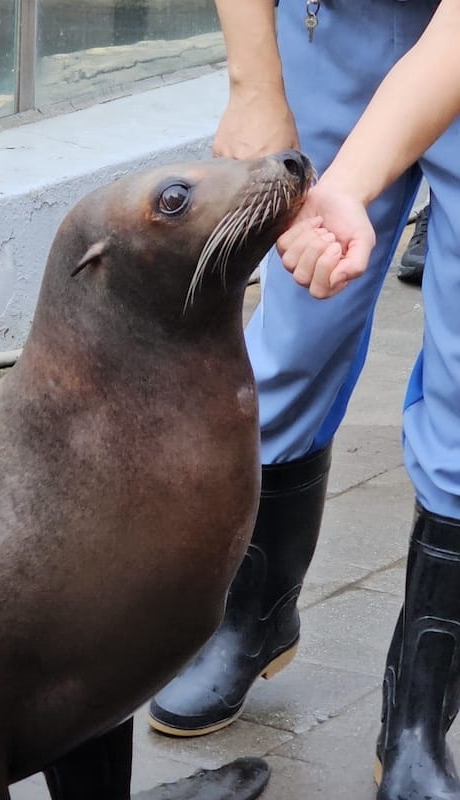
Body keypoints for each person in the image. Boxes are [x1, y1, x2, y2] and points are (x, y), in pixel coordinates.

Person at [148, 1, 460, 798]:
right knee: (292, 339)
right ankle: (253, 617)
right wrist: (255, 83)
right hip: (337, 21)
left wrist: (344, 189)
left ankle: (418, 713)